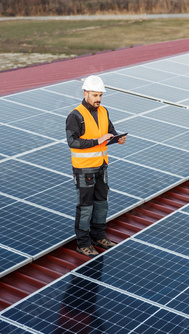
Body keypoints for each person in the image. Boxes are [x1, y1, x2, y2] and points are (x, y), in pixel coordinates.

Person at [66, 75, 126, 257]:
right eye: (94, 95)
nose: (98, 99)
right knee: (85, 207)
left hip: (101, 167)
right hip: (84, 168)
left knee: (102, 203)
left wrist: (117, 139)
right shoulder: (75, 115)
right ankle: (83, 243)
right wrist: (97, 141)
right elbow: (72, 142)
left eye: (100, 95)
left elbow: (110, 132)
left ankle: (99, 236)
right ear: (85, 93)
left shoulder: (103, 111)